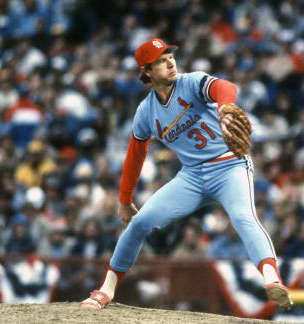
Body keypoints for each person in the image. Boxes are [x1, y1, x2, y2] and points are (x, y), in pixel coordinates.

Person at [80, 38, 293, 309]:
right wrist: (124, 200)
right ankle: (105, 291)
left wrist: (225, 106)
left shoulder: (190, 82)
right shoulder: (146, 112)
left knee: (242, 217)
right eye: (161, 61)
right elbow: (135, 154)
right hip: (192, 176)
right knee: (139, 222)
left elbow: (225, 87)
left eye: (170, 57)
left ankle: (272, 279)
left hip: (229, 166)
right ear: (146, 71)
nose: (170, 63)